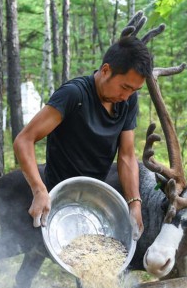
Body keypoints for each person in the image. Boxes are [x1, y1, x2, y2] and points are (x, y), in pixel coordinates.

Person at [13, 35, 152, 242]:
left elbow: (127, 155)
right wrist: (39, 189)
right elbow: (24, 140)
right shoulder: (74, 95)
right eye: (124, 87)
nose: (127, 96)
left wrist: (135, 203)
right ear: (105, 70)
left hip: (93, 196)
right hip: (57, 195)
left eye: (134, 90)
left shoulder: (127, 102)